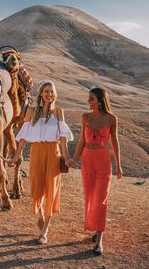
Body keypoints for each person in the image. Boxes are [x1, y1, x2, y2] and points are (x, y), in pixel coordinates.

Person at [9, 80, 73, 244]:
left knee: (51, 188)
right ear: (41, 93)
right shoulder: (31, 112)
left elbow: (64, 138)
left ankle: (44, 231)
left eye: (51, 91)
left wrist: (66, 157)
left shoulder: (58, 112)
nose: (49, 94)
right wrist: (16, 156)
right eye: (46, 91)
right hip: (36, 152)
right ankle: (41, 215)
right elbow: (23, 137)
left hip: (53, 152)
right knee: (37, 186)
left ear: (55, 94)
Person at [71, 87, 123, 255]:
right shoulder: (85, 117)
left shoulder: (111, 118)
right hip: (87, 159)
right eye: (89, 98)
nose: (88, 101)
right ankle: (95, 228)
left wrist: (119, 165)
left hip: (103, 160)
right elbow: (81, 141)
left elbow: (115, 142)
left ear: (100, 101)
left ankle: (99, 240)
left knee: (101, 198)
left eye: (91, 98)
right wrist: (74, 158)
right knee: (91, 196)